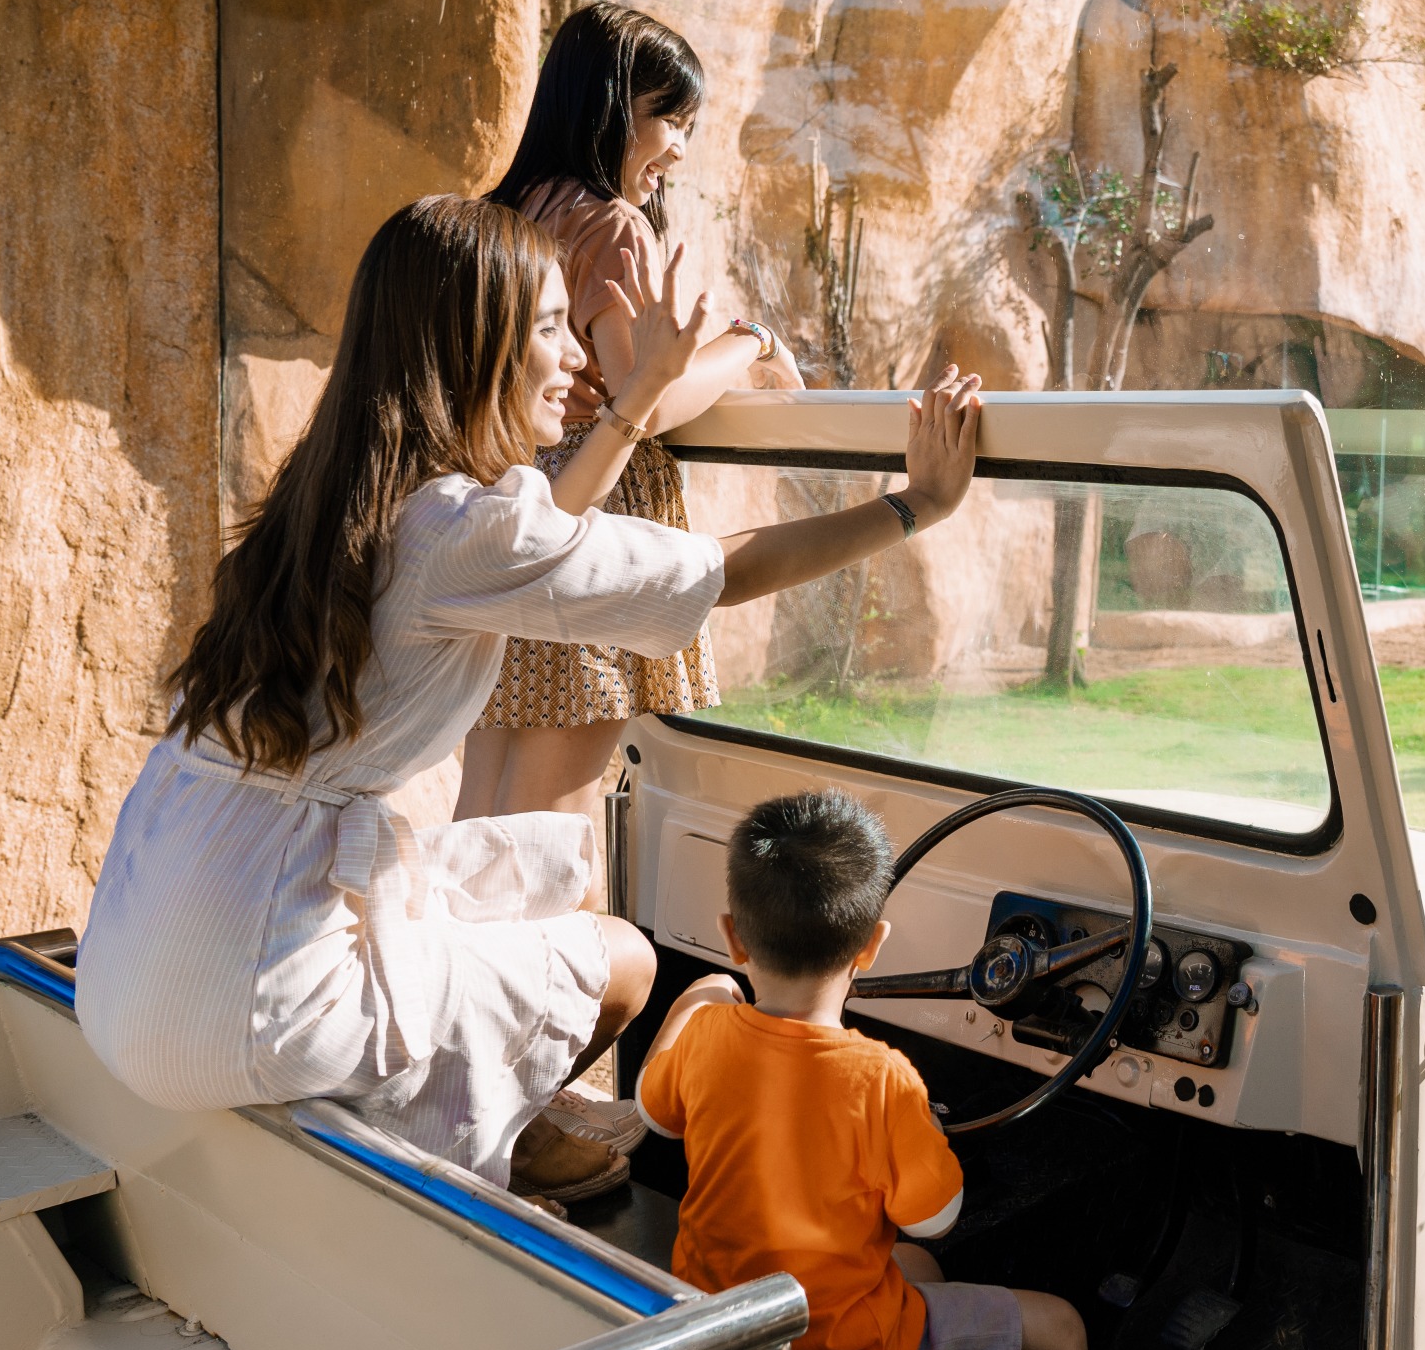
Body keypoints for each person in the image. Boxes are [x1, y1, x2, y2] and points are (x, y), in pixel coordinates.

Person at [77, 195, 982, 1208]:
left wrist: (637, 400)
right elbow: (721, 567)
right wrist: (917, 504)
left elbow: (535, 531)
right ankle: (482, 1146)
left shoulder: (343, 486)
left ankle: (499, 1115)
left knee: (543, 868)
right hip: (245, 996)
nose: (573, 358)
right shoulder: (456, 533)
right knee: (626, 960)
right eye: (550, 328)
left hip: (144, 949)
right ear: (480, 349)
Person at [636, 789, 1247, 1350]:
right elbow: (938, 1213)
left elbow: (654, 1115)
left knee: (914, 1267)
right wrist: (920, 1127)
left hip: (728, 1343)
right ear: (873, 947)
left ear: (731, 936)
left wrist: (698, 997)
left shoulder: (707, 1039)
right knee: (1058, 1323)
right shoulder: (882, 1078)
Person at [462, 1, 797, 827]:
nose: (678, 149)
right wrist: (746, 342)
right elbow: (644, 397)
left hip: (513, 506)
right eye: (668, 121)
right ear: (612, 108)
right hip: (594, 514)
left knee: (490, 802)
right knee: (557, 822)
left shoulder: (507, 215)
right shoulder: (607, 224)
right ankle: (584, 958)